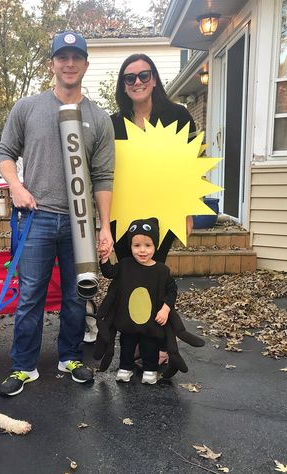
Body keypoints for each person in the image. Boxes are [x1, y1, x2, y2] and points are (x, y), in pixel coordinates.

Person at [0, 31, 115, 396]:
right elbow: (5, 153)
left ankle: (71, 357)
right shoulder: (28, 107)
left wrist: (105, 227)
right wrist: (16, 187)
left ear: (85, 65)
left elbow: (103, 176)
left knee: (77, 295)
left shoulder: (99, 118)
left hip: (80, 223)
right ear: (52, 64)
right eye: (62, 57)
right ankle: (23, 366)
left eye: (76, 57)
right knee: (30, 293)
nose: (69, 63)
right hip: (38, 217)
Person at [109, 53, 204, 370]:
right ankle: (133, 344)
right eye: (130, 78)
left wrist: (188, 212)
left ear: (154, 79)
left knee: (155, 279)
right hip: (124, 216)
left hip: (163, 215)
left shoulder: (177, 116)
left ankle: (160, 345)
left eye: (144, 75)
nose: (137, 82)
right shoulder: (113, 123)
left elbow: (190, 167)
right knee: (128, 278)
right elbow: (104, 173)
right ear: (123, 85)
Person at [95, 218, 187, 384]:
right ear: (130, 246)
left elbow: (172, 291)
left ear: (155, 246)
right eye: (136, 246)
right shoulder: (124, 265)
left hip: (151, 321)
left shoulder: (161, 270)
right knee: (127, 344)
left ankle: (150, 370)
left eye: (148, 245)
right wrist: (104, 258)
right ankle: (125, 368)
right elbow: (109, 272)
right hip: (128, 319)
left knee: (149, 345)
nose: (142, 250)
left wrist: (165, 309)